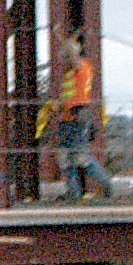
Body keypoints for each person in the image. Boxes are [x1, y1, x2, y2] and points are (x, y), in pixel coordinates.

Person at [51, 33, 108, 199]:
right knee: (65, 157)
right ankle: (73, 192)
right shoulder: (70, 74)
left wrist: (63, 40)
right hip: (67, 118)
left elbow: (74, 58)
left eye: (65, 55)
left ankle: (104, 182)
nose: (63, 58)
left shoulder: (83, 67)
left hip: (79, 117)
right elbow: (68, 97)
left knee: (79, 156)